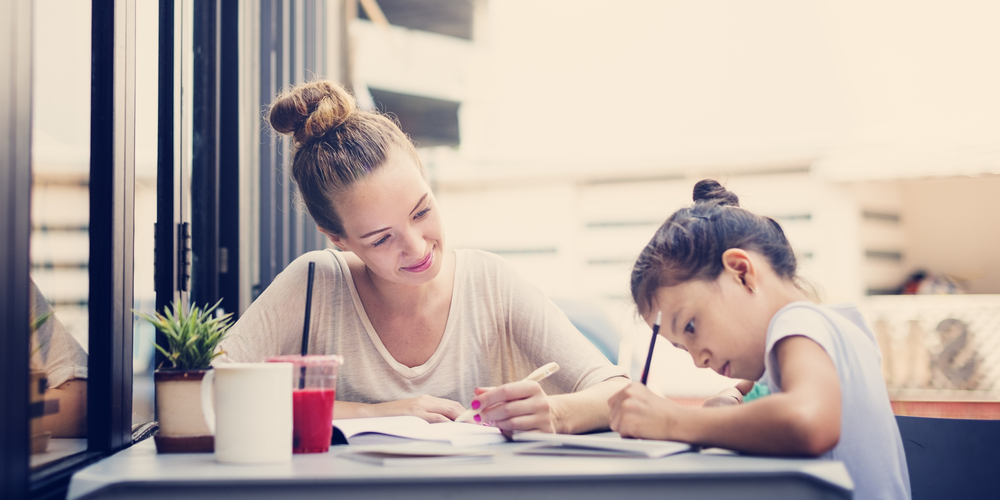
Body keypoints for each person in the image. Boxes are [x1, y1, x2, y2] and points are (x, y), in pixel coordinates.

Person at [218, 80, 628, 434]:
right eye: (381, 239)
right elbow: (213, 391)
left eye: (422, 212)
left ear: (426, 180)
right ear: (338, 238)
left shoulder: (490, 284)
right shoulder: (314, 285)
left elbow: (620, 391)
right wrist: (377, 415)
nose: (416, 248)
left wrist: (554, 412)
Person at [608, 180, 910, 500]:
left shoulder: (796, 323)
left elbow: (809, 420)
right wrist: (729, 399)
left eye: (692, 326)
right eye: (682, 348)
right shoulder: (829, 328)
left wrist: (672, 421)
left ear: (741, 273)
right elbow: (756, 388)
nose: (699, 360)